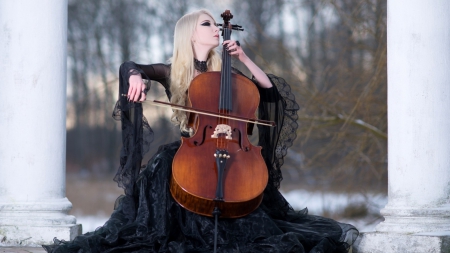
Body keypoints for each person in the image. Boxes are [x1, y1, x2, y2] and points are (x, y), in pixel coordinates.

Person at [43, 9, 358, 253]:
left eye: (214, 24)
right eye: (207, 24)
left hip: (234, 153)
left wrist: (243, 57)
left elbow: (268, 91)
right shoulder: (170, 71)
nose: (215, 28)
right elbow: (130, 64)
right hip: (187, 156)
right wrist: (135, 77)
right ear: (190, 34)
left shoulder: (226, 72)